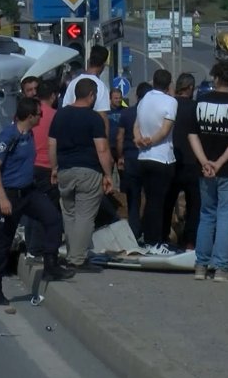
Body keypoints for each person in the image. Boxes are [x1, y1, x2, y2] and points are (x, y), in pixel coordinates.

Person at [0, 98, 74, 305]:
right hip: (10, 195)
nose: (41, 117)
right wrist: (2, 198)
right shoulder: (9, 135)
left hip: (28, 192)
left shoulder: (30, 134)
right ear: (30, 116)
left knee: (52, 218)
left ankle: (51, 263)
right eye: (39, 114)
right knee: (3, 243)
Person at [186, 60, 228, 282]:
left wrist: (205, 161)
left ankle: (200, 266)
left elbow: (192, 134)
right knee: (225, 217)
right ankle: (221, 268)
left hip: (205, 171)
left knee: (206, 215)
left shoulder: (200, 102)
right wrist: (220, 162)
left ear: (215, 78)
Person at [50, 78, 113, 272]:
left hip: (65, 170)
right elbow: (102, 149)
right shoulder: (94, 118)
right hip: (88, 171)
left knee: (69, 214)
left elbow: (51, 143)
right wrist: (108, 174)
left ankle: (71, 255)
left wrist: (54, 168)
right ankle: (77, 259)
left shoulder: (60, 115)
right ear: (92, 95)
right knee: (85, 216)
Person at [134, 69, 178, 255]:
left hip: (143, 157)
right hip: (162, 158)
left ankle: (146, 237)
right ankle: (155, 242)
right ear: (169, 85)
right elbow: (165, 129)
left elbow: (136, 125)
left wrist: (139, 140)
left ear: (153, 82)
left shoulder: (144, 100)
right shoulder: (171, 101)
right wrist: (151, 140)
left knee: (149, 199)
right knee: (158, 202)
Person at [163, 73, 201, 252]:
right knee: (195, 205)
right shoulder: (196, 108)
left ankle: (162, 237)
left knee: (167, 201)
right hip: (192, 162)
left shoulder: (170, 105)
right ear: (190, 89)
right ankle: (190, 241)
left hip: (170, 159)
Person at [24, 80, 60, 259]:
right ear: (53, 96)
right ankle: (37, 249)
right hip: (46, 166)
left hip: (29, 166)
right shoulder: (55, 115)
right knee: (46, 211)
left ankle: (30, 246)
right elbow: (55, 143)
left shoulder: (27, 115)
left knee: (31, 207)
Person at [117, 82, 152, 242]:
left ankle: (134, 232)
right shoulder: (153, 114)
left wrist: (120, 156)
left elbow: (120, 137)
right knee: (151, 197)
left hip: (131, 158)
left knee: (133, 199)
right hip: (149, 157)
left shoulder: (127, 113)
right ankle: (148, 229)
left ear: (137, 96)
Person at [62, 45, 111, 135]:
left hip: (71, 135)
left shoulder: (73, 83)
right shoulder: (101, 87)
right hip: (91, 138)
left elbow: (64, 110)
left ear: (89, 62)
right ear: (103, 66)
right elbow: (103, 118)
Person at [107, 88, 126, 161]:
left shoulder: (125, 111)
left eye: (120, 98)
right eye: (116, 98)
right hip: (109, 147)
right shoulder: (105, 112)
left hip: (122, 147)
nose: (118, 100)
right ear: (110, 99)